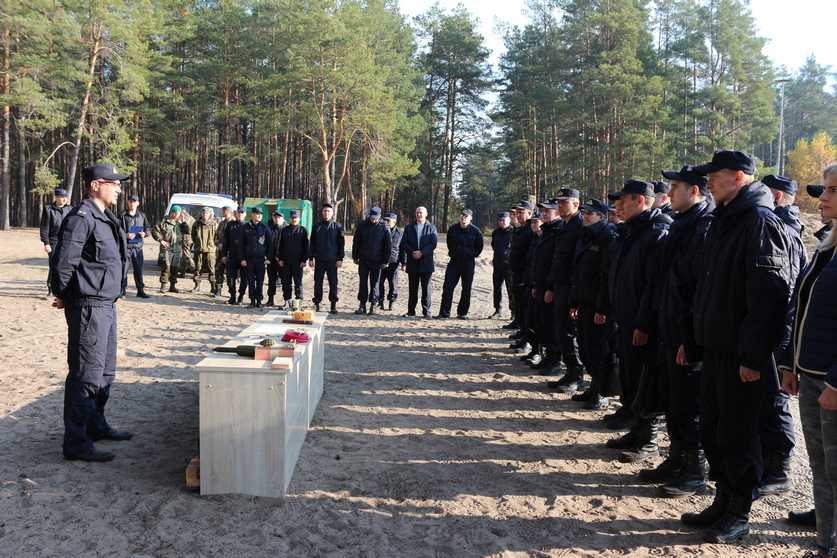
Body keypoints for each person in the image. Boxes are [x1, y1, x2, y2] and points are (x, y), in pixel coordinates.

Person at [681, 149, 791, 544]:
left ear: (739, 177)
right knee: (712, 429)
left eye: (716, 175)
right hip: (716, 348)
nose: (709, 182)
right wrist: (693, 340)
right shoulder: (724, 220)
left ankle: (739, 510)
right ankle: (723, 499)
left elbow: (769, 299)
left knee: (738, 434)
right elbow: (706, 288)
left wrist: (753, 357)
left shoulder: (760, 222)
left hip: (742, 356)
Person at [50, 163, 133, 462]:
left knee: (105, 372)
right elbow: (63, 262)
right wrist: (64, 295)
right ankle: (76, 443)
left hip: (106, 304)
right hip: (88, 306)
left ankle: (95, 427)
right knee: (86, 374)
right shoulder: (81, 217)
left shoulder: (106, 217)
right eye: (114, 183)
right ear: (95, 185)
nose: (119, 189)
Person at [640, 165, 713, 497]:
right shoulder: (683, 224)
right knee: (673, 401)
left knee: (689, 404)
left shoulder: (704, 228)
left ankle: (695, 470)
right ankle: (676, 459)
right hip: (669, 329)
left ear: (694, 191)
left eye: (675, 187)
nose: (668, 193)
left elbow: (699, 291)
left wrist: (690, 339)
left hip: (687, 336)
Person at [780, 165, 837, 558]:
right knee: (821, 469)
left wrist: (836, 383)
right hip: (811, 375)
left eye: (833, 190)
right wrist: (790, 363)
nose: (822, 198)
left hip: (831, 383)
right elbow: (801, 310)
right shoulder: (827, 247)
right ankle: (825, 543)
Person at [603, 180, 671, 464]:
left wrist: (644, 324)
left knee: (645, 381)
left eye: (623, 201)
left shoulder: (656, 231)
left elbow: (653, 286)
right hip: (625, 318)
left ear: (641, 200)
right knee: (630, 377)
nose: (617, 206)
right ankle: (636, 430)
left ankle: (649, 440)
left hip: (642, 324)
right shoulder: (630, 231)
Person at [757, 174, 807, 497]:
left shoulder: (783, 232)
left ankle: (780, 470)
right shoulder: (780, 227)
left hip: (778, 331)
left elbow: (784, 293)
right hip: (773, 329)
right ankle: (767, 462)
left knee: (774, 401)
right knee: (765, 400)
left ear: (775, 197)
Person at [567, 199, 617, 410]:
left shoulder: (607, 237)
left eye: (590, 213)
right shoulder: (585, 236)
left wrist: (602, 308)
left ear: (601, 217)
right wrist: (574, 302)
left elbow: (606, 277)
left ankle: (602, 392)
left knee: (598, 350)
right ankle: (594, 385)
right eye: (584, 213)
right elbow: (578, 273)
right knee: (586, 349)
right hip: (584, 302)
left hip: (598, 306)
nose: (585, 216)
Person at [546, 188, 585, 388]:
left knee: (570, 333)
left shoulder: (580, 226)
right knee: (562, 331)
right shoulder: (566, 225)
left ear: (576, 204)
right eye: (558, 203)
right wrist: (551, 286)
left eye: (564, 202)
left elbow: (578, 264)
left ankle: (577, 376)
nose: (560, 206)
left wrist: (575, 296)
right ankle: (570, 372)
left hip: (571, 288)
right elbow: (558, 260)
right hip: (561, 287)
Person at [436, 208, 483, 320]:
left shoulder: (476, 231)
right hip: (454, 262)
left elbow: (479, 248)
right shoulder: (452, 229)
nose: (463, 217)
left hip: (468, 263)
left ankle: (462, 313)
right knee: (448, 287)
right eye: (462, 215)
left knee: (466, 288)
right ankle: (444, 312)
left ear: (471, 218)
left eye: (466, 216)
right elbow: (449, 244)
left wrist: (470, 254)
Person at [352, 206, 391, 315]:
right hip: (363, 259)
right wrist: (355, 257)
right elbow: (356, 241)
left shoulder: (384, 226)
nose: (373, 220)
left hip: (377, 260)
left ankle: (373, 304)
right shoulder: (362, 225)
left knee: (375, 283)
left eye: (375, 218)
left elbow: (388, 245)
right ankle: (362, 304)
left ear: (379, 216)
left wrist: (386, 261)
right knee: (363, 282)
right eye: (372, 218)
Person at [400, 206, 437, 318]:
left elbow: (433, 243)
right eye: (417, 213)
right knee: (412, 288)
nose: (419, 214)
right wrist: (412, 252)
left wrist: (422, 253)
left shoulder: (432, 227)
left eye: (421, 213)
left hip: (426, 262)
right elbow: (404, 243)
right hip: (413, 261)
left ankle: (426, 311)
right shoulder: (409, 227)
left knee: (426, 289)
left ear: (426, 214)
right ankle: (411, 311)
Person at [309, 203, 345, 314]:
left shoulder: (337, 227)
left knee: (333, 283)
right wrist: (311, 258)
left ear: (332, 213)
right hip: (319, 259)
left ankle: (333, 304)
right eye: (325, 211)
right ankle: (317, 303)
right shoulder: (316, 227)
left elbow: (341, 244)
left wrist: (340, 258)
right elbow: (312, 243)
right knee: (318, 282)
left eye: (329, 211)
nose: (326, 213)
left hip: (332, 260)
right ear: (322, 212)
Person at [239, 206, 273, 308]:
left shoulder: (265, 228)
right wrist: (242, 259)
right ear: (252, 214)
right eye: (257, 214)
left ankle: (259, 300)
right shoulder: (245, 227)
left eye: (260, 214)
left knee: (260, 280)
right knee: (250, 280)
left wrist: (268, 258)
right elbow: (241, 244)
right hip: (249, 259)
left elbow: (270, 244)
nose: (259, 216)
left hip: (260, 259)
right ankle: (252, 300)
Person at [39, 188, 71, 298]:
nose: (64, 200)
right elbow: (44, 227)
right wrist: (46, 242)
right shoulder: (48, 210)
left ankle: (64, 288)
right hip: (53, 241)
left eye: (65, 197)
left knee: (66, 265)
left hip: (67, 241)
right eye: (62, 197)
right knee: (54, 266)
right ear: (56, 197)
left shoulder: (70, 209)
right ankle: (51, 289)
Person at [151, 205, 190, 293]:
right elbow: (154, 231)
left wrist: (184, 221)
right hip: (168, 247)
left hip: (178, 248)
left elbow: (187, 231)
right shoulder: (164, 222)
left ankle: (172, 286)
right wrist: (161, 240)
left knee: (175, 267)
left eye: (178, 213)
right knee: (166, 266)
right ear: (171, 212)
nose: (176, 215)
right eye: (174, 213)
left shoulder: (180, 222)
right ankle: (163, 286)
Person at [119, 194, 152, 298]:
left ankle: (140, 290)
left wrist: (144, 234)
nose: (132, 204)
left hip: (138, 248)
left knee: (139, 269)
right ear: (128, 202)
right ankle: (122, 290)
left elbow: (148, 228)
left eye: (134, 202)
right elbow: (116, 230)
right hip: (126, 248)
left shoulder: (142, 216)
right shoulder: (122, 216)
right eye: (130, 201)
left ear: (138, 203)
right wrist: (125, 235)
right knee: (123, 269)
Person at [278, 209, 308, 303]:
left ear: (299, 219)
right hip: (286, 261)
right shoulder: (284, 230)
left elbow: (306, 246)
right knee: (286, 283)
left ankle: (299, 301)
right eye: (292, 218)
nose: (294, 219)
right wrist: (280, 259)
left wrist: (304, 260)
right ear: (289, 218)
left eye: (296, 218)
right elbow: (281, 245)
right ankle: (287, 302)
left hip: (298, 262)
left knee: (298, 283)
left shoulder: (303, 230)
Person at [221, 206, 248, 305]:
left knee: (244, 278)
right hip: (232, 256)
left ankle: (241, 297)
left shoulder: (248, 225)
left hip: (244, 257)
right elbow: (226, 241)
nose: (240, 214)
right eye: (239, 212)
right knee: (230, 278)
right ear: (236, 213)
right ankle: (232, 296)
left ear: (245, 214)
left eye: (242, 213)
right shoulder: (230, 225)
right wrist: (224, 254)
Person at [377, 213, 403, 311]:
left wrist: (404, 263)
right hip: (381, 261)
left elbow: (402, 249)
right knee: (379, 283)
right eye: (385, 220)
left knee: (393, 284)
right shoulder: (381, 230)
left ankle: (392, 301)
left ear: (394, 221)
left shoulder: (400, 233)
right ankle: (380, 302)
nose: (386, 222)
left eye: (389, 220)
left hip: (393, 262)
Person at [490, 212, 513, 319]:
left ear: (509, 220)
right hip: (497, 264)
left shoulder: (513, 232)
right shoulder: (496, 232)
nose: (502, 222)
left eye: (504, 220)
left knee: (510, 289)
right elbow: (494, 246)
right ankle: (498, 310)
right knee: (497, 288)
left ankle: (513, 311)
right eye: (500, 220)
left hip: (509, 265)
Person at [191, 206, 218, 296]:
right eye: (203, 213)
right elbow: (193, 235)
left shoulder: (214, 224)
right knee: (198, 268)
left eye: (206, 213)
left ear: (210, 214)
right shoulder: (196, 224)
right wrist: (198, 243)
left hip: (210, 250)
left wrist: (213, 244)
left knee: (212, 268)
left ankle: (213, 287)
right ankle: (197, 285)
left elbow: (217, 235)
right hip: (199, 249)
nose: (204, 214)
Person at [266, 210, 286, 307]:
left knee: (285, 281)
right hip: (272, 259)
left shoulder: (286, 229)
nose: (277, 219)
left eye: (279, 218)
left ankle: (286, 300)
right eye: (275, 217)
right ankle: (270, 299)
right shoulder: (269, 229)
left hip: (283, 260)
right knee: (271, 280)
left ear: (283, 219)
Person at [213, 206, 234, 297]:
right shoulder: (221, 223)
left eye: (222, 211)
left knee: (230, 272)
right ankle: (218, 289)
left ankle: (232, 291)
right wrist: (218, 244)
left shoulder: (234, 222)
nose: (221, 213)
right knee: (218, 270)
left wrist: (227, 247)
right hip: (220, 252)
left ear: (226, 211)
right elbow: (216, 236)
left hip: (230, 252)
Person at [178, 207, 195, 278]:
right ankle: (182, 272)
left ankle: (195, 271)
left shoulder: (183, 218)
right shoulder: (192, 218)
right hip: (190, 240)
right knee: (184, 257)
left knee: (186, 256)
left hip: (185, 239)